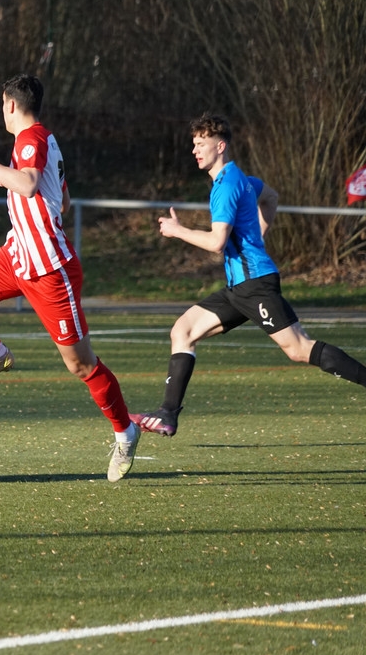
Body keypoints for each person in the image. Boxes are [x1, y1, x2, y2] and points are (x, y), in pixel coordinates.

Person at [0, 73, 140, 484]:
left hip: (50, 271)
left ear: (10, 104)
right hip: (17, 257)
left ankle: (125, 431)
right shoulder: (41, 140)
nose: (2, 110)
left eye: (1, 104)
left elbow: (28, 185)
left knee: (81, 365)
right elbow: (62, 199)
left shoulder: (31, 138)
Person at [131, 113, 366, 437]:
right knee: (182, 331)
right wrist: (257, 238)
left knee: (298, 348)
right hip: (238, 289)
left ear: (220, 146)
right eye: (194, 144)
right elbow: (271, 197)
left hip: (254, 286)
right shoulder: (241, 179)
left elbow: (217, 242)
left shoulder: (226, 186)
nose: (195, 150)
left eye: (201, 144)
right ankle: (167, 415)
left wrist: (178, 230)